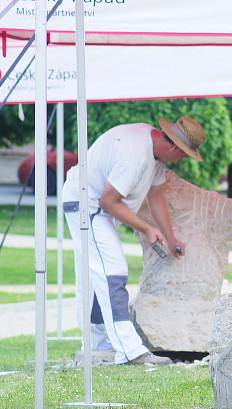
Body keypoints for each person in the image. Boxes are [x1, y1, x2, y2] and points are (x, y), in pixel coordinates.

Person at [61, 116, 206, 365]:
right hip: (89, 207)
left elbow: (156, 195)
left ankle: (97, 345)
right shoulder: (135, 154)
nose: (180, 161)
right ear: (172, 146)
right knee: (113, 273)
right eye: (182, 155)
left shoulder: (153, 151)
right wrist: (147, 229)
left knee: (94, 279)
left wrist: (170, 237)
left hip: (93, 206)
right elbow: (109, 201)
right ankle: (130, 351)